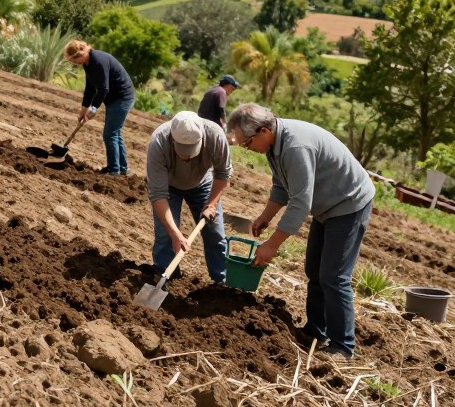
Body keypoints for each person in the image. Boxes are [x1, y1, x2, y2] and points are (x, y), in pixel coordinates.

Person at [226, 103, 375, 361]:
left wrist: (272, 245)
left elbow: (300, 203)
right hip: (327, 205)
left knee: (334, 276)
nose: (247, 149)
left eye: (247, 143)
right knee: (314, 271)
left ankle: (343, 346)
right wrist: (265, 217)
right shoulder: (275, 145)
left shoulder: (295, 147)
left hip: (348, 204)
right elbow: (282, 188)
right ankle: (317, 330)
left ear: (262, 131)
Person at [146, 111, 231, 284]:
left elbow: (223, 174)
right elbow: (158, 195)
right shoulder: (159, 142)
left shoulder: (215, 136)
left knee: (215, 234)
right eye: (182, 151)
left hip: (203, 184)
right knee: (165, 236)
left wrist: (211, 204)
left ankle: (222, 283)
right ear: (172, 138)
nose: (186, 156)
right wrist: (175, 234)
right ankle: (167, 279)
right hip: (169, 186)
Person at [62, 40, 135, 176]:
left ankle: (114, 171)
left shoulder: (98, 61)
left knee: (110, 134)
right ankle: (123, 169)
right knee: (115, 133)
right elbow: (90, 89)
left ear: (81, 53)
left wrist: (93, 109)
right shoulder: (88, 63)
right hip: (114, 98)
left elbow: (103, 89)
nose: (74, 63)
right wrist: (83, 110)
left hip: (122, 98)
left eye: (74, 60)